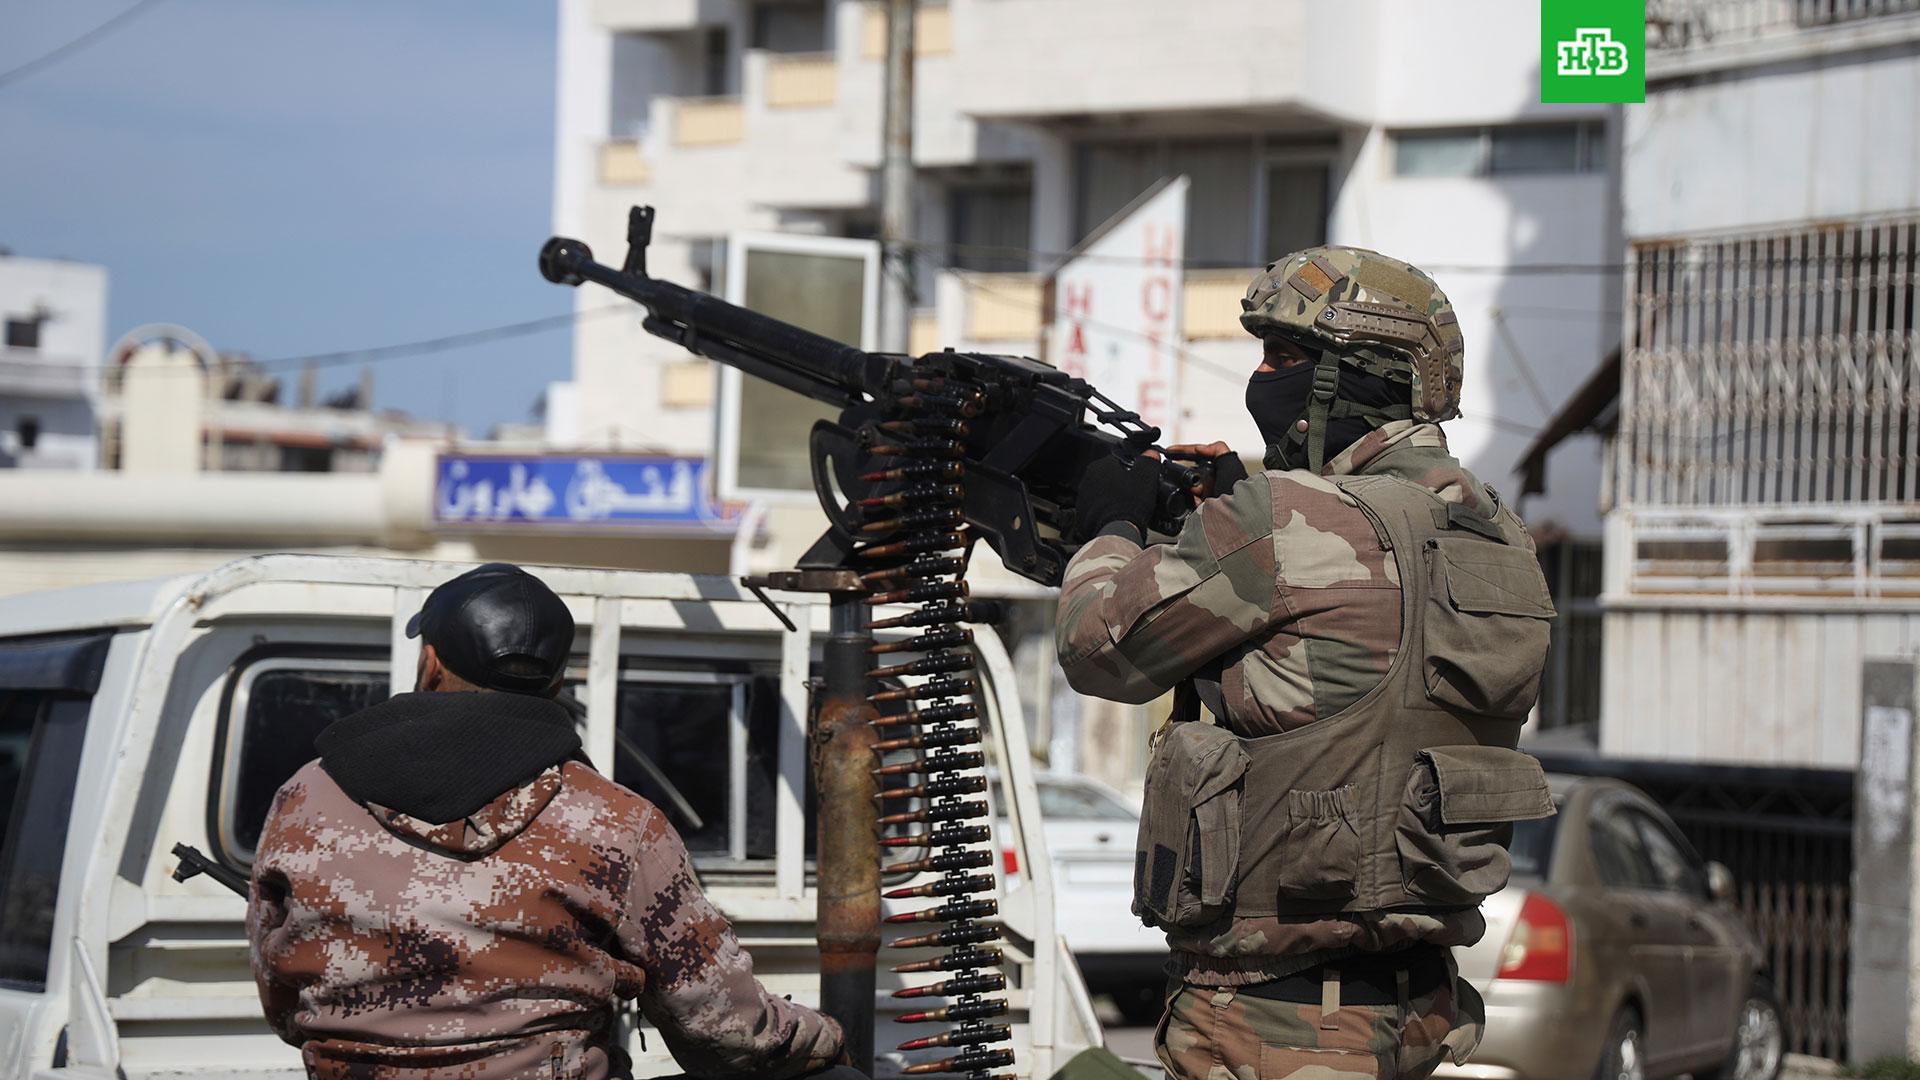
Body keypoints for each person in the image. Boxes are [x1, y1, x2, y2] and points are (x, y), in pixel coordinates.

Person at [1056, 249, 1557, 1080]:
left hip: (1271, 1021)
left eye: (1282, 357)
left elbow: (1096, 649)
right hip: (1416, 1011)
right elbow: (1353, 671)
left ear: (1350, 379)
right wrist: (1236, 512)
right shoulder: (1500, 537)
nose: (1260, 379)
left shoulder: (1282, 520)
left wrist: (1111, 526)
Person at [246, 562, 847, 1080]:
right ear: (557, 683)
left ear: (429, 664)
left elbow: (284, 1007)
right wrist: (829, 1039)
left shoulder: (306, 797)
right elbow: (722, 1031)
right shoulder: (618, 821)